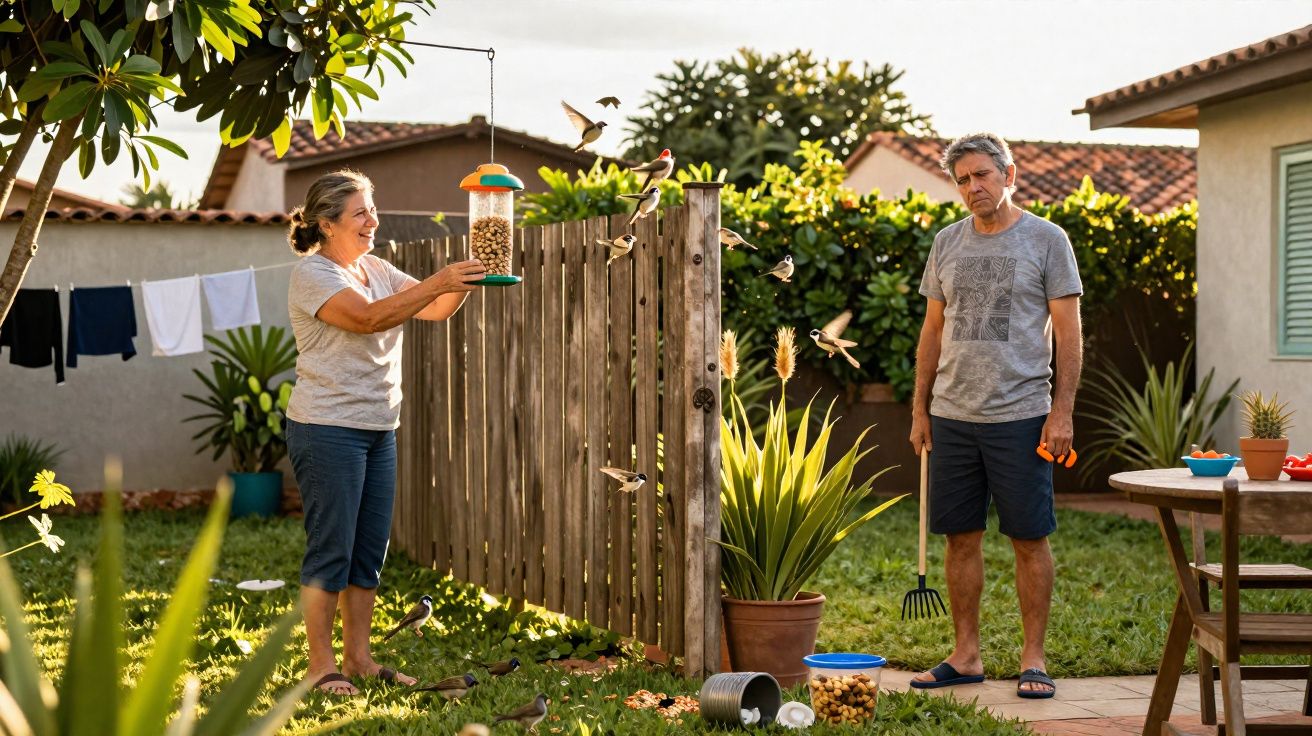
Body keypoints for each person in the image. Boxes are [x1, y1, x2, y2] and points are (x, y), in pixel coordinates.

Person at [284, 169, 487, 695]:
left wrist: (462, 282)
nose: (373, 220)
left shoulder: (373, 267)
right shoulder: (315, 275)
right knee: (332, 547)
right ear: (327, 225)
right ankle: (320, 666)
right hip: (327, 426)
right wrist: (438, 280)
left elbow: (436, 308)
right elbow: (370, 320)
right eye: (360, 213)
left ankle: (359, 659)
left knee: (369, 549)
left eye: (373, 209)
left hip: (378, 425)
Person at [907, 133, 1083, 699]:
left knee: (1029, 538)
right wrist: (920, 409)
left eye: (982, 174)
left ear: (1010, 174)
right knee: (960, 539)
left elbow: (1070, 336)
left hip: (1022, 415)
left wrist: (1062, 414)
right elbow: (932, 332)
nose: (972, 187)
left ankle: (1034, 657)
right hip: (953, 415)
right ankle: (966, 655)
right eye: (962, 179)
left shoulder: (1047, 240)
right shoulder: (946, 243)